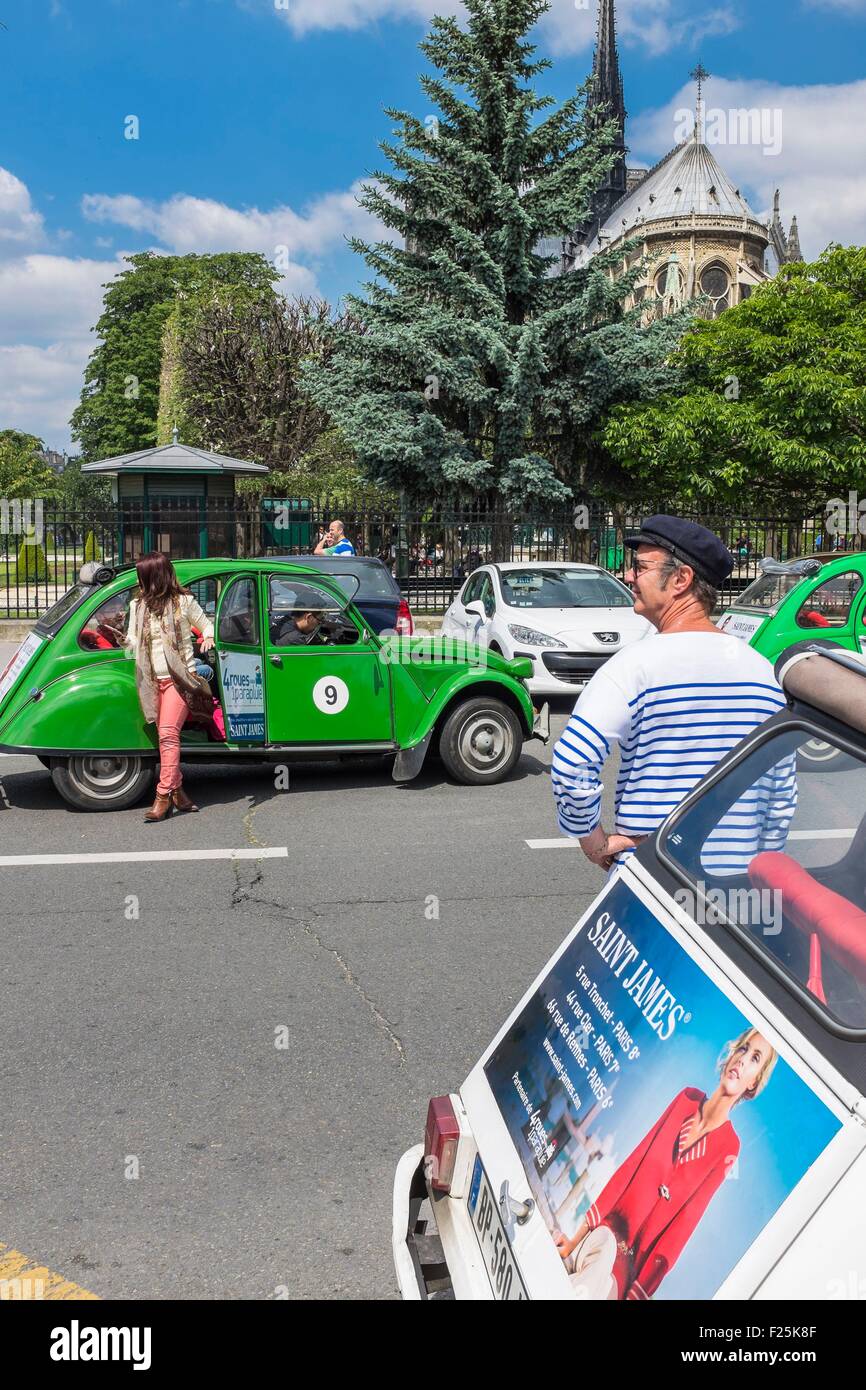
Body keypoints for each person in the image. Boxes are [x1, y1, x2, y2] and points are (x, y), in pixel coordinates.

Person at [551, 515, 796, 873]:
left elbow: (572, 763)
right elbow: (781, 795)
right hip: (735, 893)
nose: (628, 576)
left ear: (681, 579)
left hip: (653, 878)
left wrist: (594, 843)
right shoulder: (764, 674)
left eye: (640, 567)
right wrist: (758, 871)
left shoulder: (633, 666)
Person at [553, 1028, 777, 1300]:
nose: (742, 1060)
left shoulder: (729, 1146)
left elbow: (684, 1225)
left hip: (628, 1271)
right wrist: (574, 1241)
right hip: (605, 1236)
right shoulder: (686, 1099)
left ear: (754, 1083)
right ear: (731, 1055)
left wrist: (638, 1293)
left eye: (755, 1058)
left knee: (598, 1290)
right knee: (600, 1262)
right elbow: (632, 1165)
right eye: (742, 1049)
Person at [125, 553, 215, 822]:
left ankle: (162, 795)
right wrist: (126, 641)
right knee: (165, 739)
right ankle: (178, 791)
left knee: (167, 735)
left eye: (142, 575)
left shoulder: (183, 603)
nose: (138, 580)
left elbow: (207, 625)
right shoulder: (137, 606)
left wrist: (208, 637)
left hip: (179, 679)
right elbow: (132, 639)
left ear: (154, 577)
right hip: (151, 681)